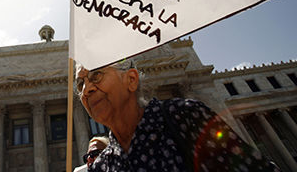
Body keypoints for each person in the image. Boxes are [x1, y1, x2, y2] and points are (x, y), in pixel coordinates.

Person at [75, 59, 280, 172]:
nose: (86, 90)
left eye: (96, 76)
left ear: (131, 80)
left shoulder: (184, 117)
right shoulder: (102, 166)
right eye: (80, 84)